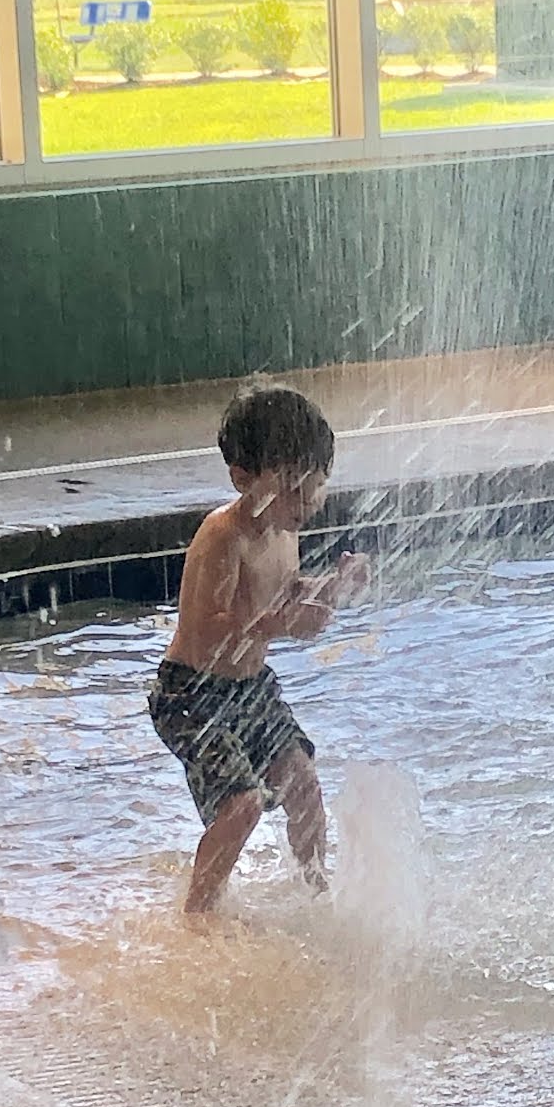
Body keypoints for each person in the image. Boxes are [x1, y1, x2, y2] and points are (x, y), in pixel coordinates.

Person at [148, 384, 369, 915]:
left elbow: (283, 593)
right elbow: (205, 632)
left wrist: (329, 588)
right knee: (242, 805)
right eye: (294, 488)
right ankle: (198, 916)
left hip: (250, 690)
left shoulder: (283, 532)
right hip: (192, 696)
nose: (308, 503)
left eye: (316, 487)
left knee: (303, 784)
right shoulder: (224, 536)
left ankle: (316, 894)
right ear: (243, 478)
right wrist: (281, 624)